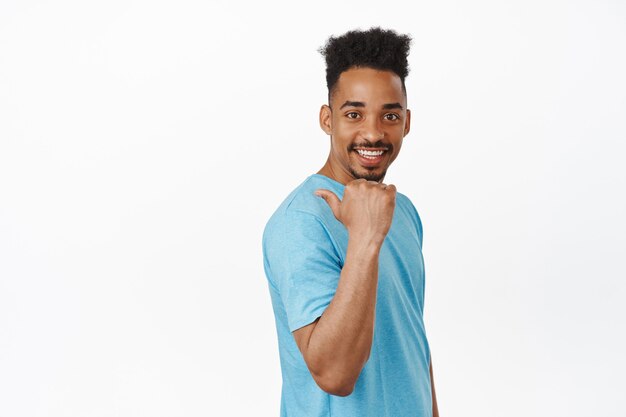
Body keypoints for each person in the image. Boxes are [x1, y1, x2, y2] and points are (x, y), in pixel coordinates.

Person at [262, 27, 439, 417]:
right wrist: (364, 239)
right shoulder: (301, 220)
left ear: (406, 122)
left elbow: (414, 344)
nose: (373, 132)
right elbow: (335, 375)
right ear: (327, 119)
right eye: (354, 114)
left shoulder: (402, 210)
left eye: (389, 115)